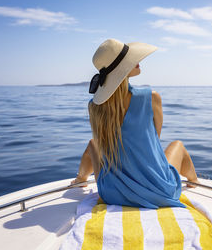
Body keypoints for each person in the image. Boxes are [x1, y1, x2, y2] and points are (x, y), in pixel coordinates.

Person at [71, 38, 198, 208]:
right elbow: (154, 142)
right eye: (130, 59)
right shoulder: (151, 97)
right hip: (158, 192)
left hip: (113, 193)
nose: (137, 61)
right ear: (121, 69)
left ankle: (80, 178)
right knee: (178, 145)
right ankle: (194, 181)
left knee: (93, 143)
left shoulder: (94, 106)